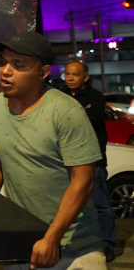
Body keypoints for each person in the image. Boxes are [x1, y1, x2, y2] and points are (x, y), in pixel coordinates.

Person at [0, 32, 105, 270]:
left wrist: (52, 238)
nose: (6, 71)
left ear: (43, 72)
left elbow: (83, 181)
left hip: (74, 249)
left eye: (18, 65)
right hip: (21, 244)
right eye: (2, 62)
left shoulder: (67, 112)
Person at [62, 60, 117, 262]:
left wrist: (72, 114)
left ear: (85, 77)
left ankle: (107, 243)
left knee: (100, 204)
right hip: (65, 159)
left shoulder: (95, 97)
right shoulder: (59, 95)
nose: (70, 78)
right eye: (67, 74)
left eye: (75, 74)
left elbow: (88, 119)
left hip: (92, 160)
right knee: (70, 204)